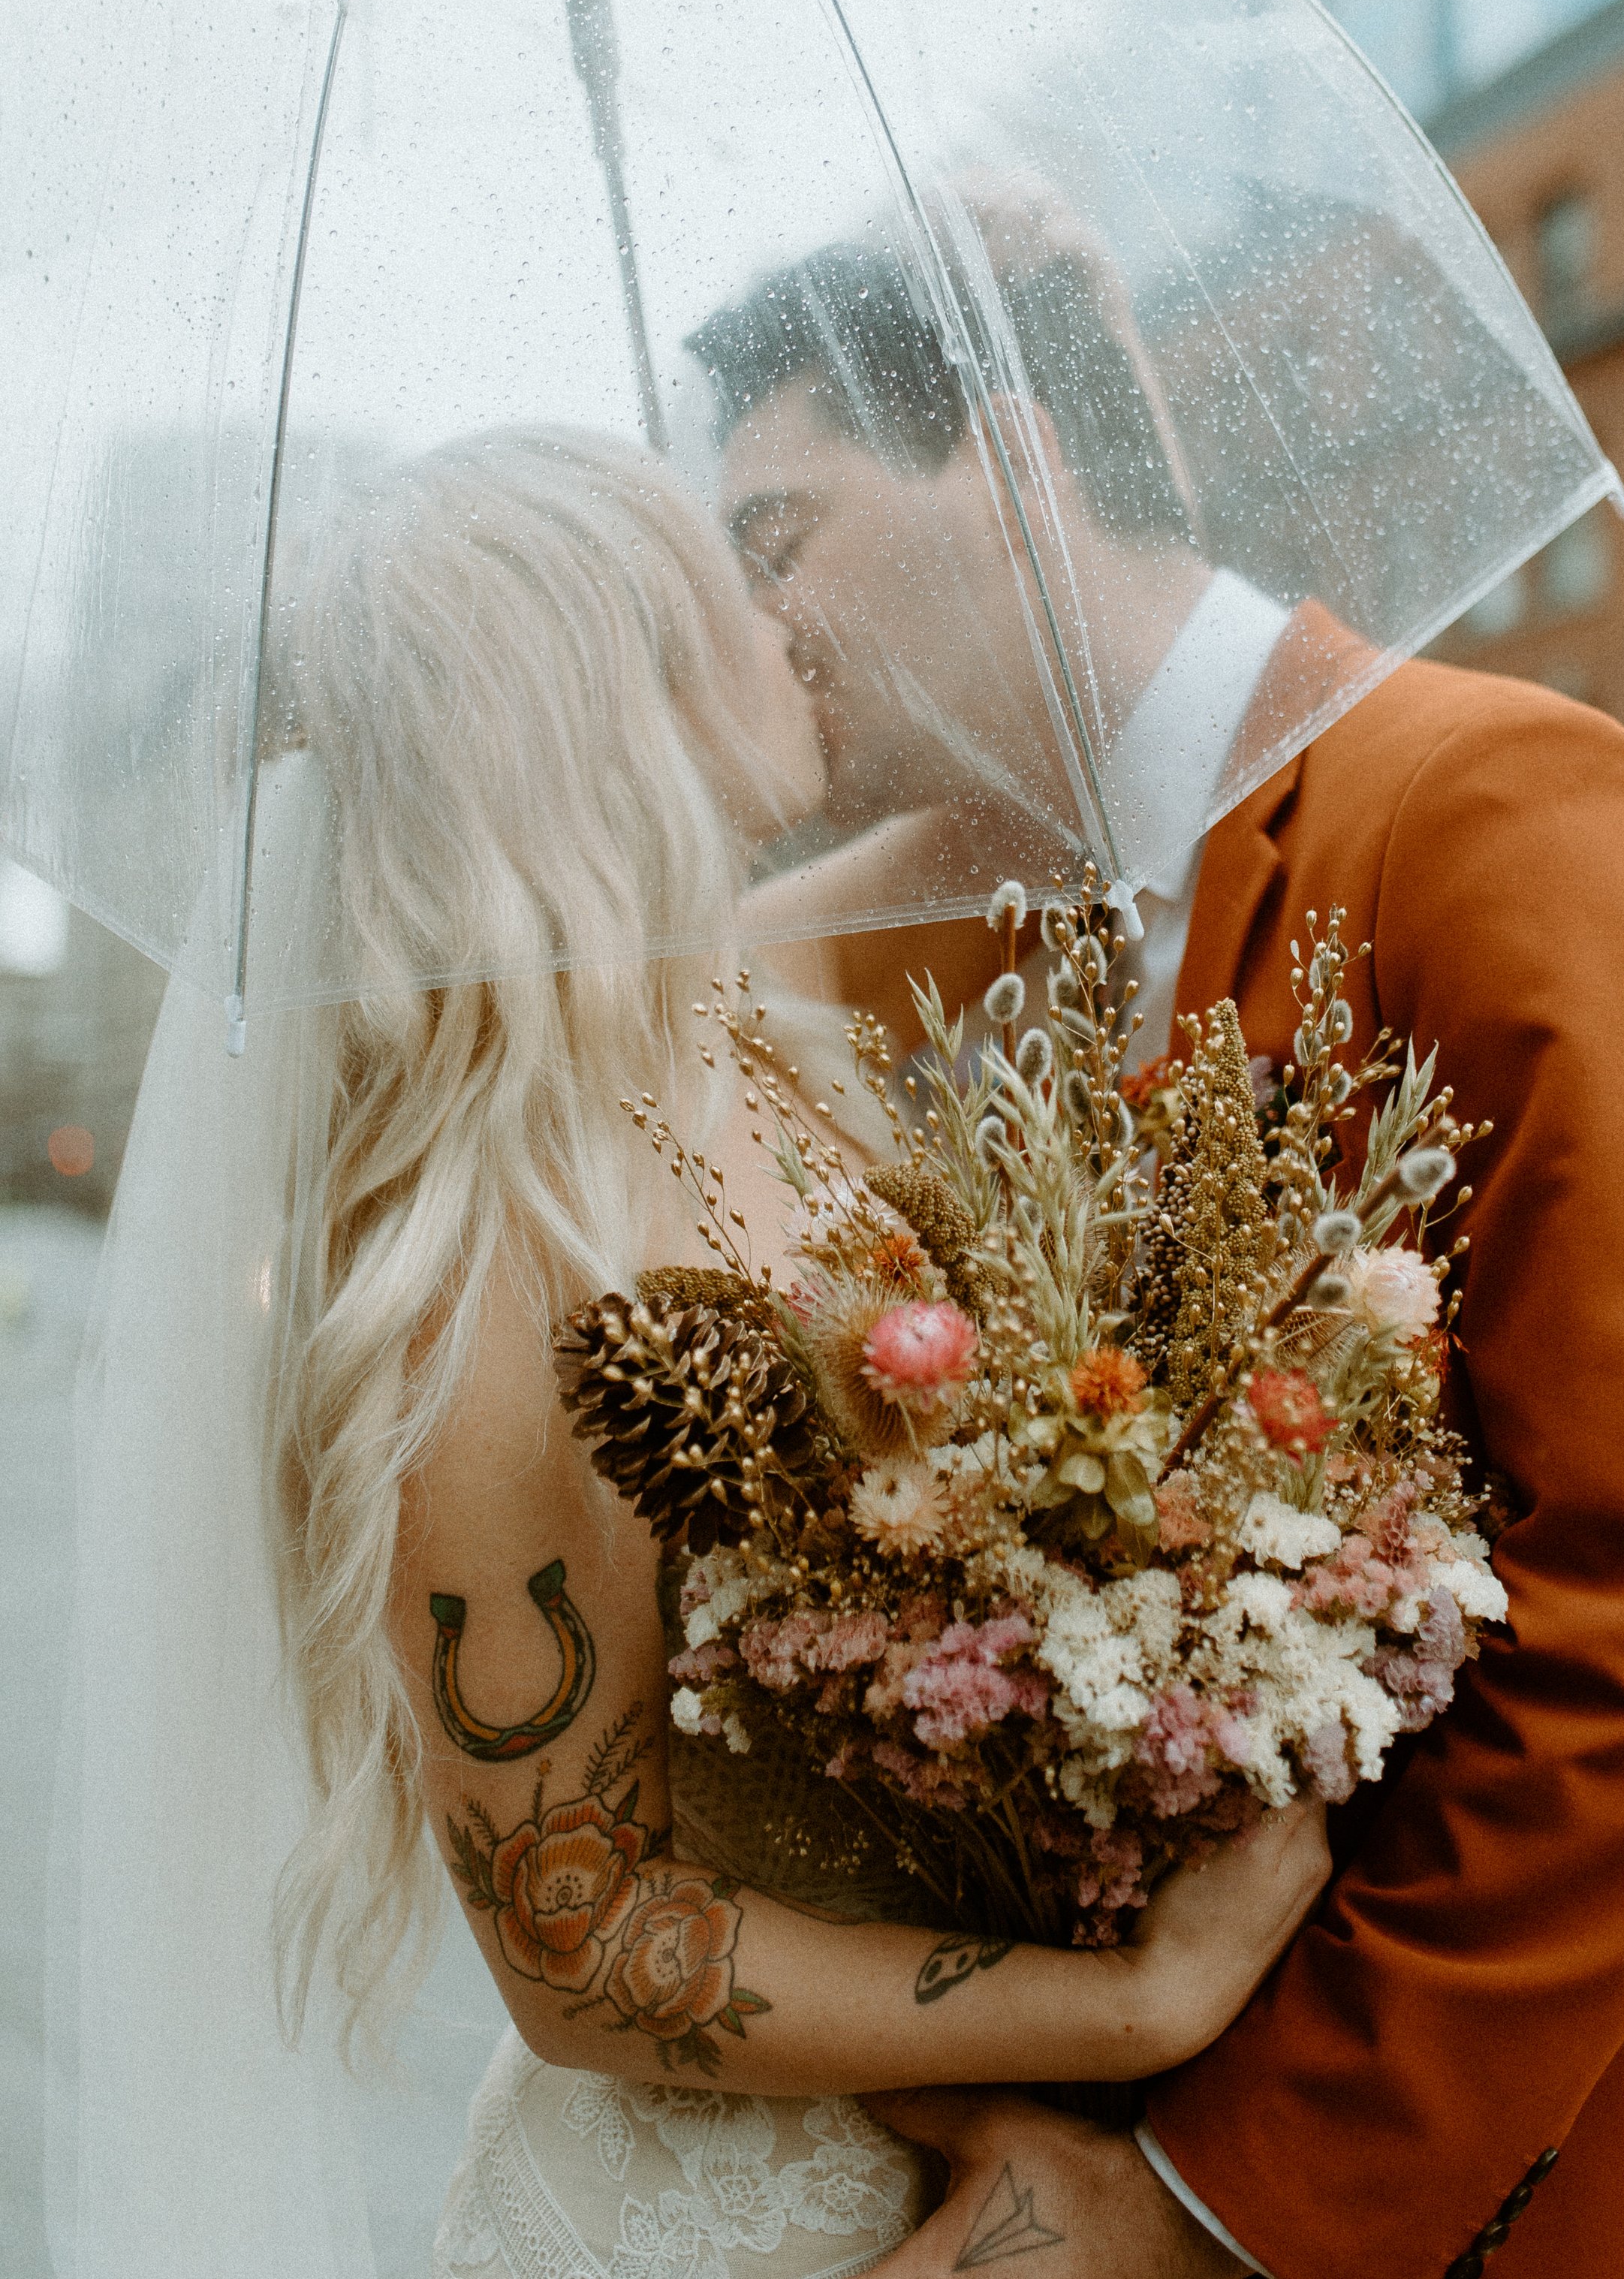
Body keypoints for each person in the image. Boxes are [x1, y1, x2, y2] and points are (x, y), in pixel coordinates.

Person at [693, 237, 1624, 2277]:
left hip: (1616, 2144)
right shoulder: (962, 944)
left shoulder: (1509, 812)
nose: (752, 627)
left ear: (1015, 456)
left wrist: (1205, 2204)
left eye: (776, 536)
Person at [241, 430, 1328, 2276]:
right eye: (736, 576)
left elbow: (1092, 774)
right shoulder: (474, 1265)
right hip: (713, 2220)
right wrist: (1134, 2007)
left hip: (980, 2170)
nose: (790, 614)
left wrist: (1072, 436)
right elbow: (577, 1949)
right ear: (611, 686)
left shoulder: (760, 995)